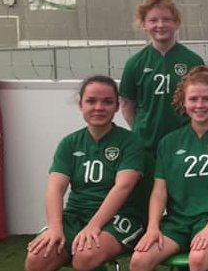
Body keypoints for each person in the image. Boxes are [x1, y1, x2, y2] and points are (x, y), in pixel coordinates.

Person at [25, 76, 149, 271]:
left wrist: (94, 225)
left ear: (117, 106)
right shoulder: (69, 143)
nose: (99, 107)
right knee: (37, 259)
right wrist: (55, 227)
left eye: (107, 102)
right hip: (76, 215)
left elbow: (123, 187)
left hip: (119, 217)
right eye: (91, 101)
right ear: (80, 105)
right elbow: (55, 189)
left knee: (86, 256)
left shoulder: (131, 142)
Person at [130, 67, 208, 271]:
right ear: (183, 102)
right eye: (193, 99)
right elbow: (159, 192)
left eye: (207, 99)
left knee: (199, 258)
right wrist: (153, 227)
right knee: (140, 260)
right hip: (178, 222)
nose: (200, 105)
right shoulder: (169, 142)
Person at [120, 0, 206, 153]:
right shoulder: (135, 63)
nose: (160, 25)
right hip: (146, 144)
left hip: (184, 143)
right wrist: (141, 131)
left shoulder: (193, 61)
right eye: (153, 20)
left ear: (176, 23)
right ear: (144, 25)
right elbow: (126, 104)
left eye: (166, 19)